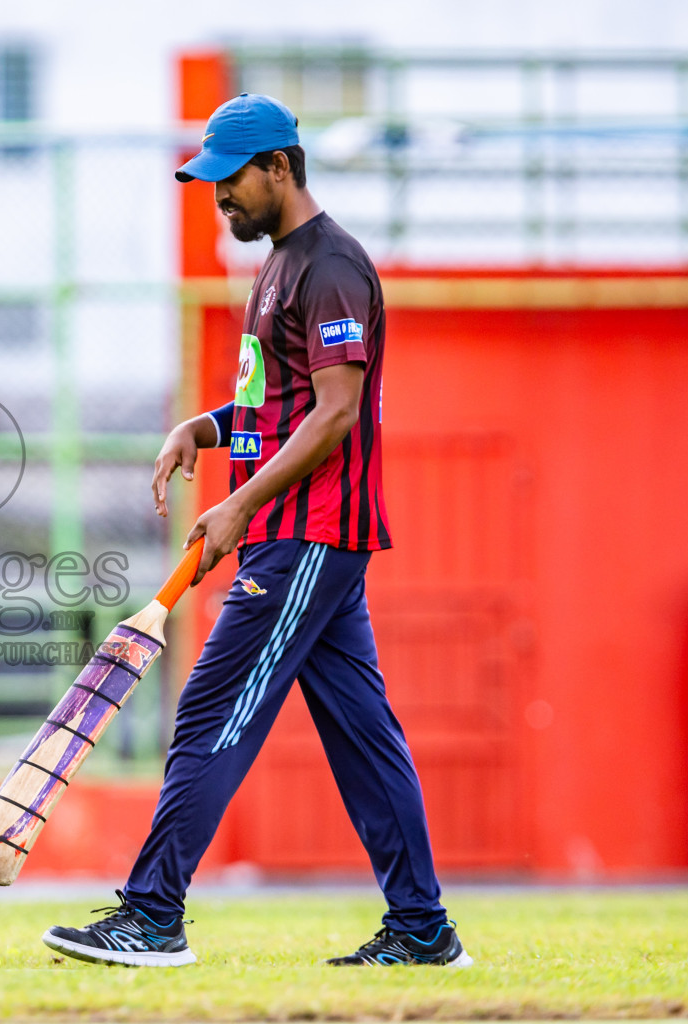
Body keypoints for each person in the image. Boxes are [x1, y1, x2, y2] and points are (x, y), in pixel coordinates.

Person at [43, 95, 469, 969]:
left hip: (306, 535)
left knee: (209, 710)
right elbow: (273, 413)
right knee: (363, 735)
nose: (219, 199)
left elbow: (336, 413)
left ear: (280, 166)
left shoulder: (333, 266)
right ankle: (423, 929)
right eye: (208, 186)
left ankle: (152, 916)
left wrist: (238, 506)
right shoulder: (278, 267)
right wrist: (201, 431)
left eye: (229, 180)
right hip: (302, 536)